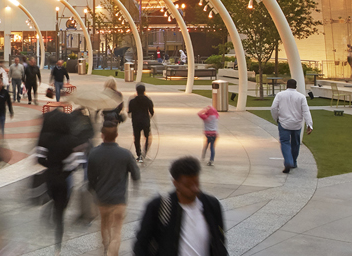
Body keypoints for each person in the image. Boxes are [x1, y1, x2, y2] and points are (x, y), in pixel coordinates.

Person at [133, 157, 227, 256]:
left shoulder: (211, 205)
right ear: (176, 183)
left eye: (196, 182)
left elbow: (219, 242)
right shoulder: (158, 207)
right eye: (188, 185)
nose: (194, 188)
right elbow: (141, 245)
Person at [35, 102, 88, 254]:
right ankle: (58, 245)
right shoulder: (71, 140)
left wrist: (50, 165)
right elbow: (77, 163)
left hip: (50, 178)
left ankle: (52, 212)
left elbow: (39, 158)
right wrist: (64, 168)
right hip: (64, 180)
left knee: (54, 201)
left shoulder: (46, 138)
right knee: (60, 212)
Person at [89, 122, 141, 256]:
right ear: (116, 135)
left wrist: (95, 190)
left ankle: (106, 246)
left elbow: (90, 178)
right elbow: (136, 175)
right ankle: (112, 252)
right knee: (117, 232)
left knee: (104, 224)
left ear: (102, 135)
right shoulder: (125, 154)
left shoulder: (94, 153)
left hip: (102, 198)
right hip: (119, 199)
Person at [270, 78, 313, 173]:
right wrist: (309, 124)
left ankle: (288, 161)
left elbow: (273, 108)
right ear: (296, 86)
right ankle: (293, 161)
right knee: (295, 143)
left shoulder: (280, 95)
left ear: (286, 86)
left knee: (285, 142)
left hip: (284, 122)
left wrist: (276, 118)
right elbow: (306, 111)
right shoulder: (301, 97)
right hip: (297, 124)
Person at [129, 84, 155, 162]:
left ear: (136, 91)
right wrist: (149, 117)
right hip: (145, 121)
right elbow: (152, 111)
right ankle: (144, 153)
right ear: (144, 91)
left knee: (137, 138)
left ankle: (139, 154)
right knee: (147, 137)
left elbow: (129, 111)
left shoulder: (132, 101)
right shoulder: (148, 100)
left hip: (136, 121)